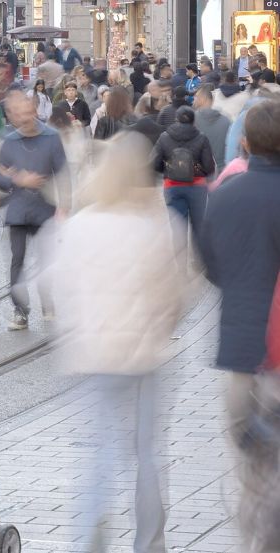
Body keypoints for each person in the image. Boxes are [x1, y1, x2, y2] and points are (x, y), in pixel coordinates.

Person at [54, 131, 183, 553]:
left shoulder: (80, 225)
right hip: (143, 357)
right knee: (146, 454)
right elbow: (174, 296)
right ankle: (150, 543)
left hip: (96, 356)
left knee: (100, 454)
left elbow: (61, 287)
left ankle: (90, 542)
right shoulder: (156, 224)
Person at [200, 100, 280, 553]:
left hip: (242, 350)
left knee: (253, 467)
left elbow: (211, 266)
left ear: (245, 143)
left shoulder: (225, 194)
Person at [0, 91, 68, 330]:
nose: (23, 118)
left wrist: (65, 205)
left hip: (45, 208)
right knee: (17, 259)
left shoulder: (52, 137)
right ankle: (20, 310)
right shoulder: (9, 141)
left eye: (27, 112)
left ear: (35, 111)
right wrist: (16, 180)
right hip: (18, 209)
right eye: (18, 114)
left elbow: (63, 173)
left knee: (46, 259)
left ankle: (47, 300)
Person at [151, 106, 215, 254]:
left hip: (172, 186)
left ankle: (181, 266)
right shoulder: (202, 138)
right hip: (197, 187)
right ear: (194, 121)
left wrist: (168, 170)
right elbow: (209, 168)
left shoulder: (164, 137)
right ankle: (198, 262)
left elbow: (154, 163)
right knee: (198, 228)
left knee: (178, 229)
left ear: (176, 120)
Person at [192, 84, 230, 175]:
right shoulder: (226, 120)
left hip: (200, 172)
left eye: (196, 97)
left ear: (203, 98)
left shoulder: (192, 120)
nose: (194, 100)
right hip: (222, 171)